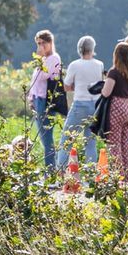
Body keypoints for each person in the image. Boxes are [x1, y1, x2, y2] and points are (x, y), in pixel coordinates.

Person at [98, 41, 128, 176]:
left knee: (114, 144)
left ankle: (118, 175)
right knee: (125, 144)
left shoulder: (114, 72)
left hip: (116, 108)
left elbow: (106, 92)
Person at [62, 35, 105, 167]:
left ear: (79, 49)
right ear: (93, 48)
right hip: (95, 105)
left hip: (80, 104)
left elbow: (66, 86)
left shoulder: (75, 65)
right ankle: (90, 173)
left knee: (66, 140)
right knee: (90, 142)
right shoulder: (100, 64)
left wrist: (77, 85)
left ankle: (61, 171)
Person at [27, 30, 63, 174]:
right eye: (38, 43)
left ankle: (51, 171)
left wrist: (40, 57)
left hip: (45, 100)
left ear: (50, 43)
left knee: (46, 137)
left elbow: (44, 76)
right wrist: (30, 98)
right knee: (42, 136)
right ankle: (49, 170)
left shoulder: (54, 58)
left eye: (43, 43)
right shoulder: (42, 59)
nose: (41, 46)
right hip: (37, 99)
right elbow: (34, 81)